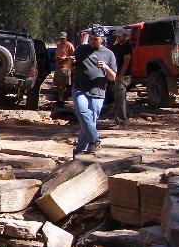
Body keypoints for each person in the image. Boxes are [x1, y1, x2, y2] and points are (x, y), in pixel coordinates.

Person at [72, 24, 117, 157]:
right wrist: (69, 62)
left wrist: (106, 68)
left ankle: (79, 151)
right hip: (80, 88)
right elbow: (70, 67)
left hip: (98, 92)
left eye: (95, 39)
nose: (92, 41)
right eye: (90, 38)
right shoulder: (81, 50)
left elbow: (113, 77)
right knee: (82, 112)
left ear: (101, 39)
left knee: (90, 120)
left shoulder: (108, 54)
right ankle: (95, 140)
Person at [110, 28, 132, 125]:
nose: (118, 38)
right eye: (117, 36)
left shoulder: (127, 46)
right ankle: (120, 117)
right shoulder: (117, 46)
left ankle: (121, 120)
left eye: (120, 36)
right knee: (118, 97)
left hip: (123, 75)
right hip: (117, 74)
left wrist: (121, 74)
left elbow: (127, 61)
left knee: (120, 98)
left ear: (124, 36)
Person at [53, 31, 75, 106]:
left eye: (63, 38)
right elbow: (55, 54)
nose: (62, 40)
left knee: (63, 84)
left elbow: (73, 56)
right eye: (61, 38)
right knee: (57, 83)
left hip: (65, 67)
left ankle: (61, 98)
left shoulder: (69, 45)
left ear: (66, 38)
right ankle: (58, 96)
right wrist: (56, 58)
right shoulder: (58, 45)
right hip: (58, 67)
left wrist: (65, 58)